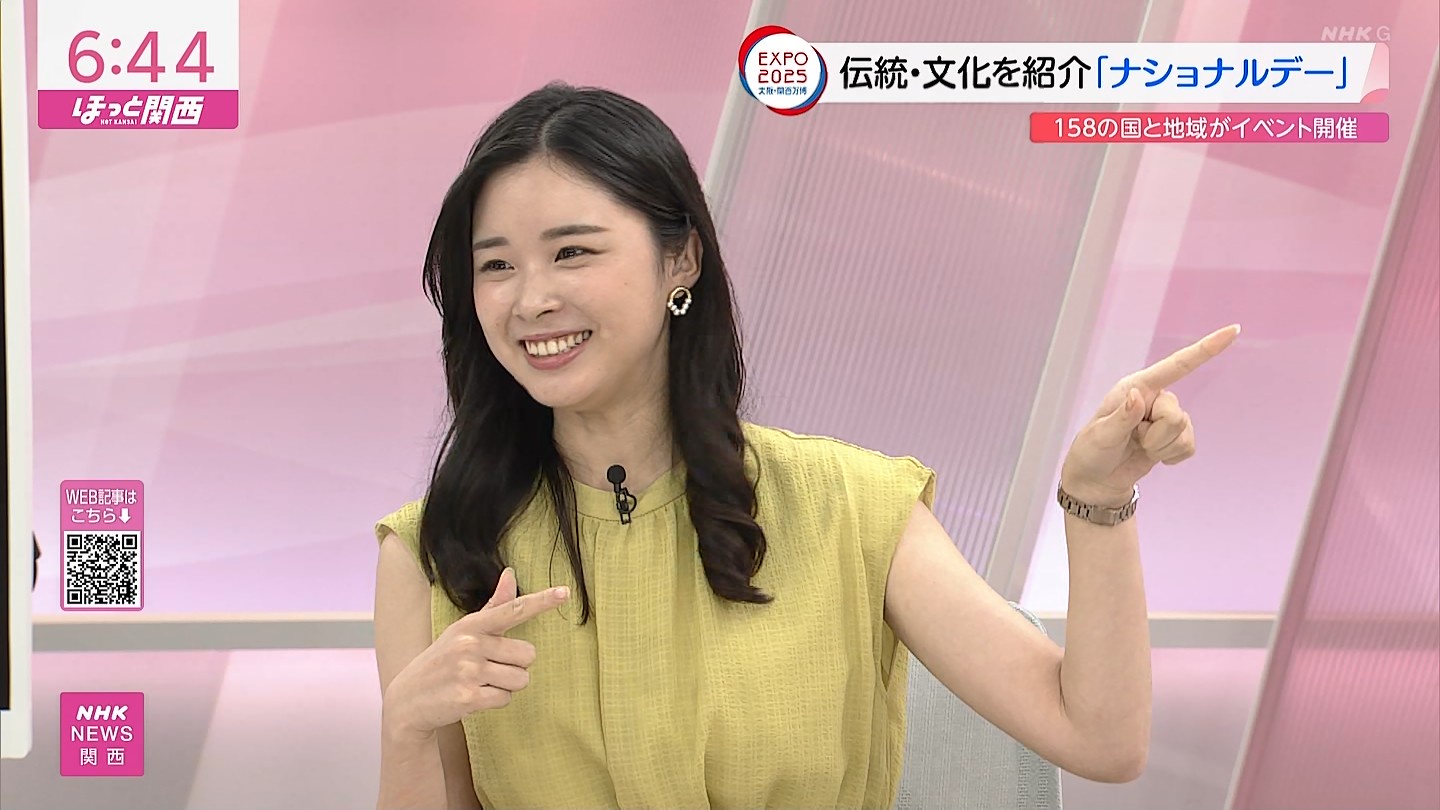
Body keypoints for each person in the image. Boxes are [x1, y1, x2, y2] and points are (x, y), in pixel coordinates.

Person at [372, 82, 1239, 809]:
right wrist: (407, 727)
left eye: (572, 252)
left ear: (681, 261)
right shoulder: (431, 550)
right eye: (496, 265)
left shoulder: (848, 506)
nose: (530, 300)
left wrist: (1098, 502)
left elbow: (1100, 739)